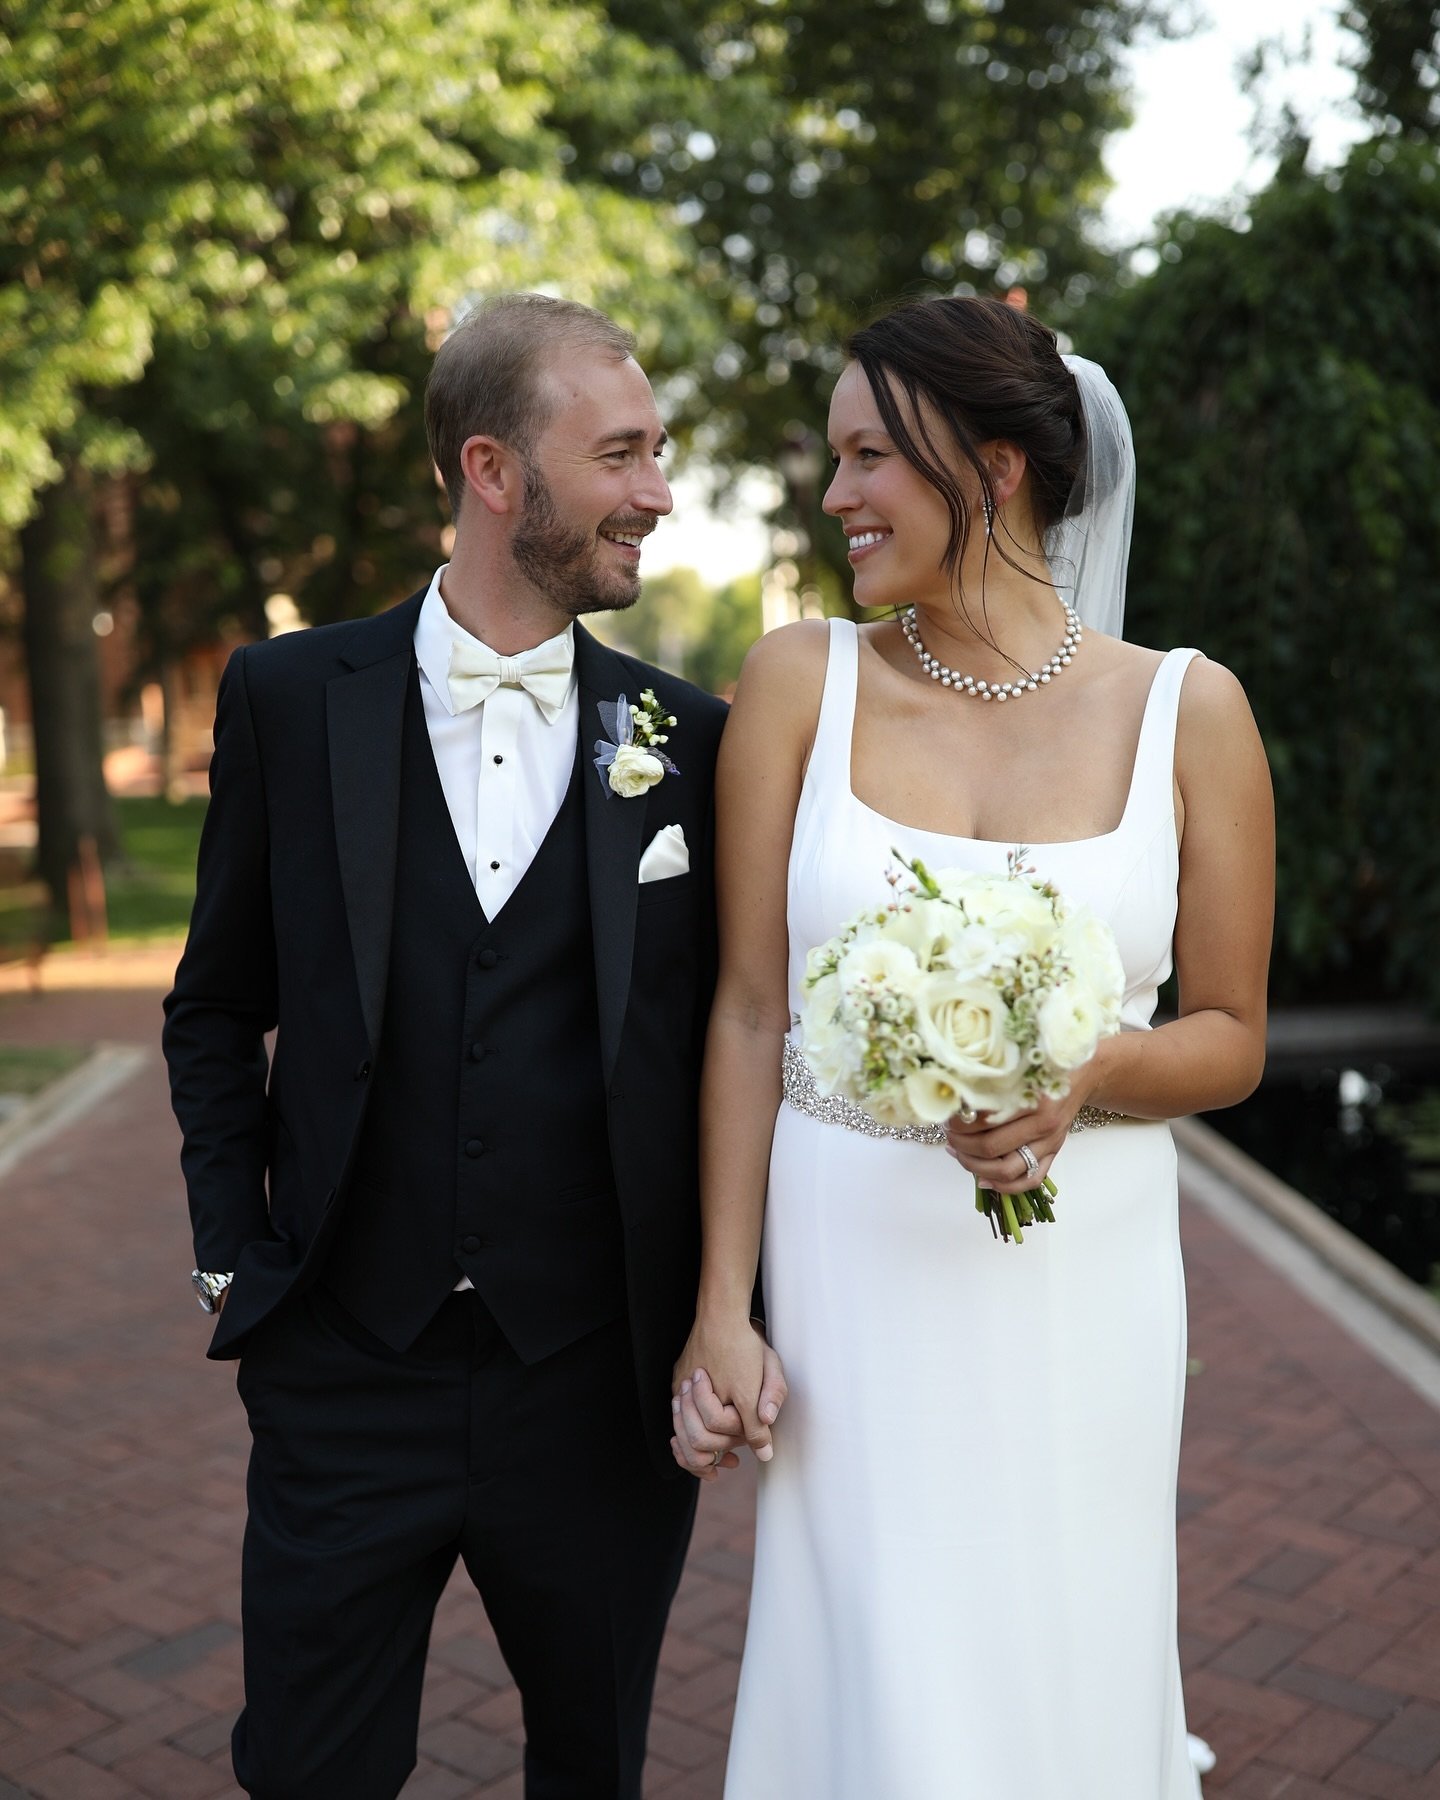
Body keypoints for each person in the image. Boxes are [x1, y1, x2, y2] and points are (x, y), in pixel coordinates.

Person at [163, 293, 781, 1800]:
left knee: (594, 1772)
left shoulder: (691, 739)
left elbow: (735, 1031)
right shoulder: (292, 698)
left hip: (593, 1390)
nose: (656, 492)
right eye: (623, 454)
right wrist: (235, 1263)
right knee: (308, 1772)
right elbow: (212, 1004)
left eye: (660, 453)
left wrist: (724, 1304)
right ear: (496, 474)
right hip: (344, 1371)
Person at [669, 294, 1274, 1797]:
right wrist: (720, 1307)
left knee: (1063, 1646)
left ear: (992, 468)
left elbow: (1235, 1038)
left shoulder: (1188, 713)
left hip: (1085, 1279)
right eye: (834, 457)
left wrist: (1096, 1076)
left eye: (870, 455)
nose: (835, 496)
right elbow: (748, 1009)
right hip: (852, 1266)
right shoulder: (802, 684)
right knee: (875, 1658)